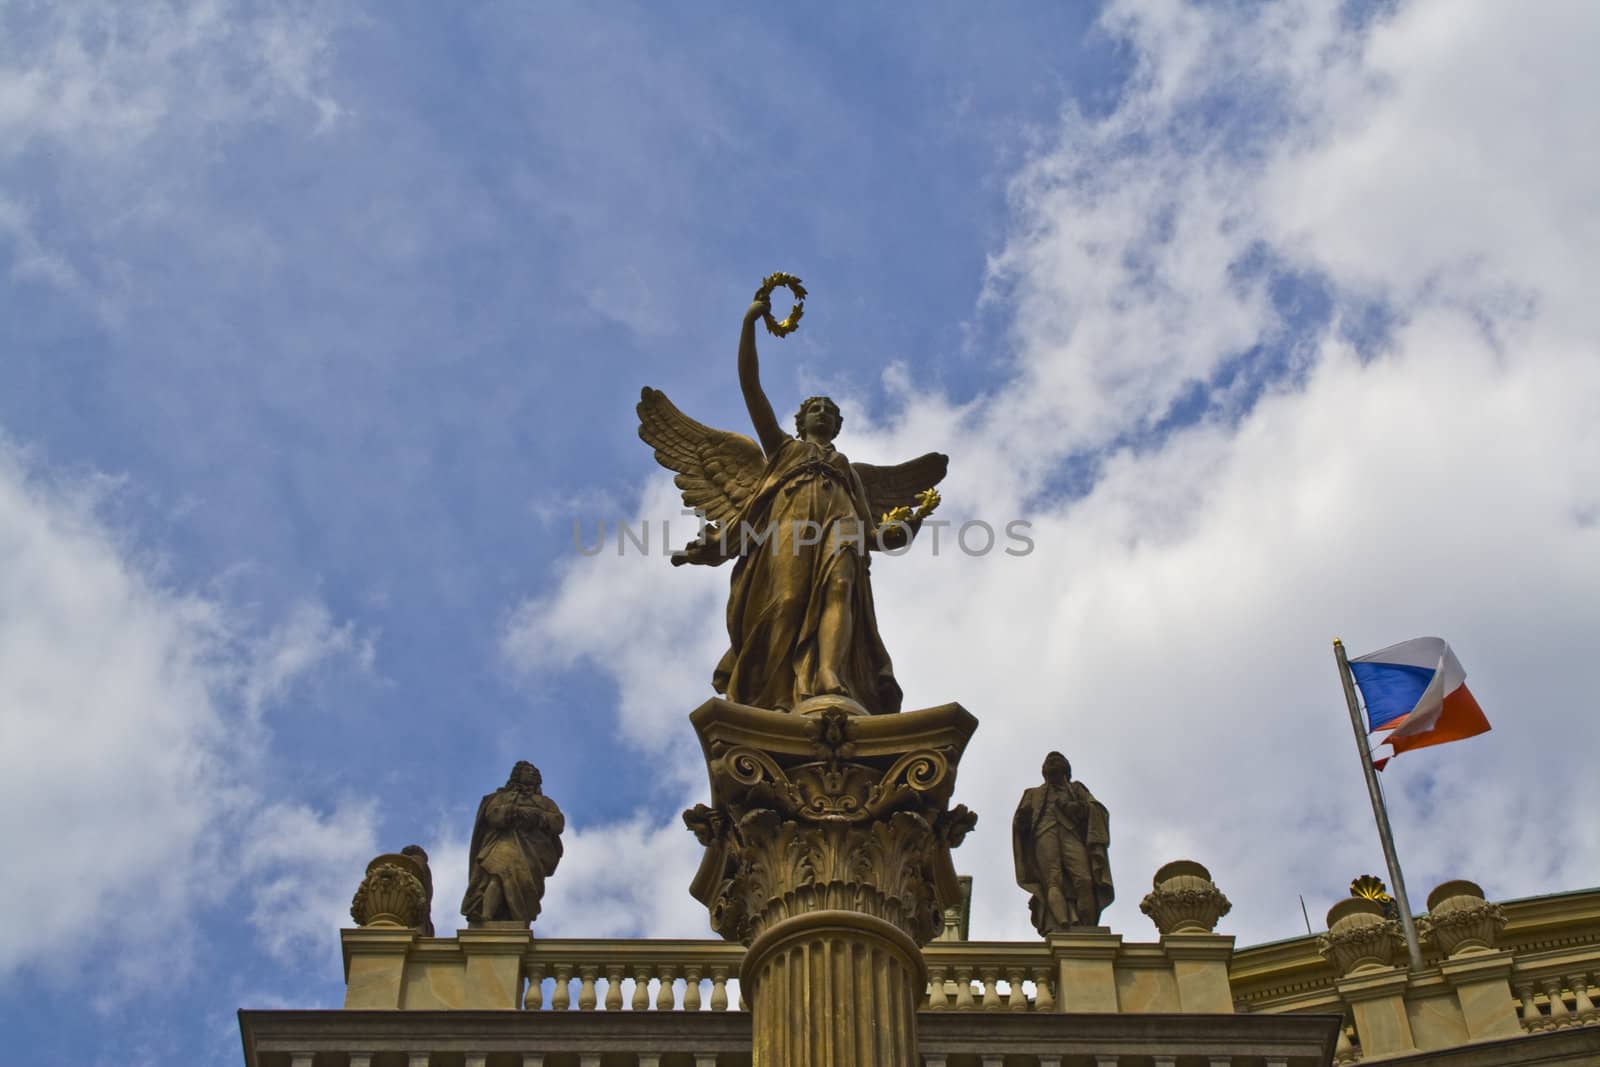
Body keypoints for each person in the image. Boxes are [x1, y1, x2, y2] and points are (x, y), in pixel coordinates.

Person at [636, 294, 946, 714]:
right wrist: (749, 323)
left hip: (841, 529)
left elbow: (873, 534)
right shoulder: (783, 450)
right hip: (790, 529)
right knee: (785, 603)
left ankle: (830, 677)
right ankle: (772, 691)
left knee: (841, 589)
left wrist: (896, 531)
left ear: (837, 424)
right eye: (814, 408)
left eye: (829, 410)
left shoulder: (847, 470)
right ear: (801, 422)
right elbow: (751, 386)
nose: (822, 412)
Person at [1012, 751, 1114, 932]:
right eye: (1049, 761)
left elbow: (1096, 809)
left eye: (1057, 760)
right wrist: (1022, 820)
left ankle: (1087, 927)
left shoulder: (1076, 789)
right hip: (1044, 833)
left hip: (1071, 834)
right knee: (1053, 880)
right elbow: (1020, 823)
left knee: (1084, 879)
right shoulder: (1032, 793)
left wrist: (1075, 808)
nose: (1052, 762)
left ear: (1066, 770)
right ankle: (1062, 926)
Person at [460, 761, 564, 926]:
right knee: (499, 871)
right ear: (517, 774)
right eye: (526, 770)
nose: (531, 773)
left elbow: (558, 823)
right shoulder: (500, 797)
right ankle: (486, 915)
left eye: (533, 771)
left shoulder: (546, 802)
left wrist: (537, 816)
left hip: (533, 849)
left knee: (522, 882)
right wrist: (514, 812)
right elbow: (493, 815)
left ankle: (517, 918)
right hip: (504, 842)